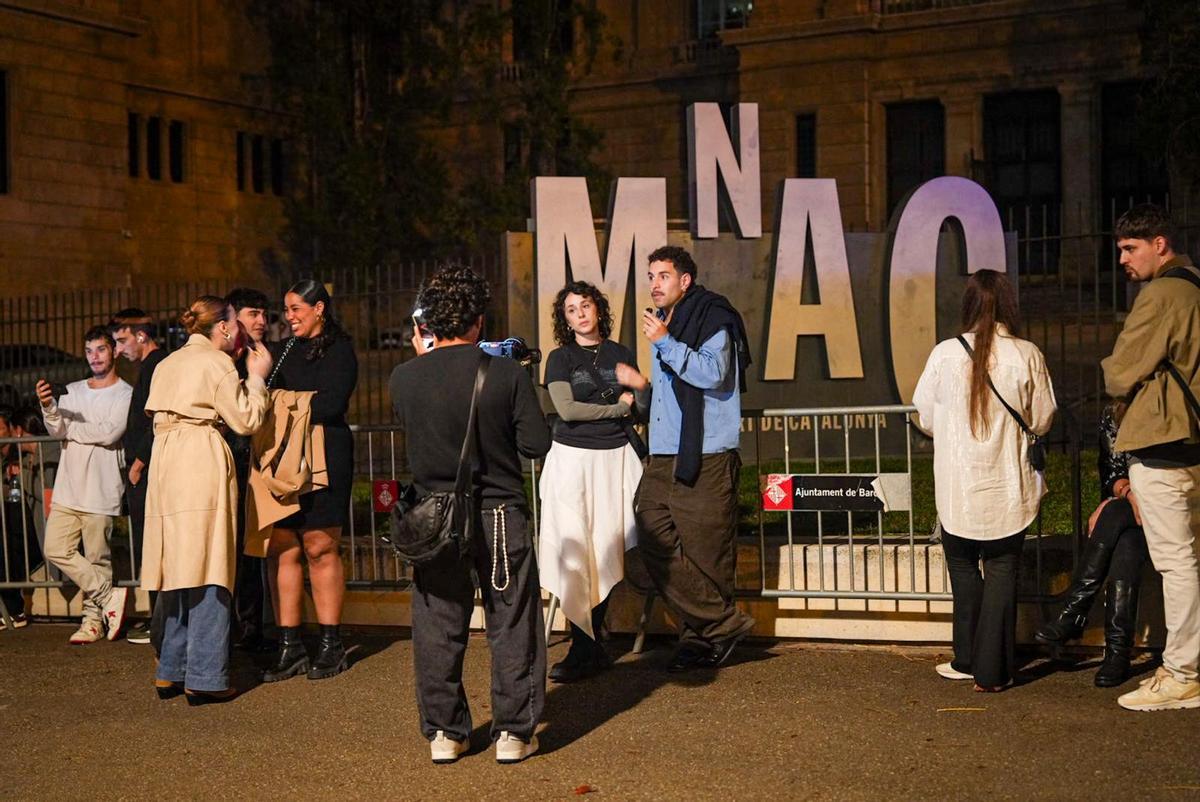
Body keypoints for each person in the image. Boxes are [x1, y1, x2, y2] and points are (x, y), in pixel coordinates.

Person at [389, 265, 551, 764]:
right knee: (511, 621)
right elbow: (535, 442)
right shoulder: (504, 373)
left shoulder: (404, 377)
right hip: (500, 513)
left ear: (428, 323)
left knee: (439, 623)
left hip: (434, 516)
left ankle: (446, 733)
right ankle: (513, 732)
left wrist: (424, 359)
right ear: (478, 321)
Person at [913, 269, 1056, 692]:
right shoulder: (1027, 354)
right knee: (1001, 569)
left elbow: (926, 416)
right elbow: (1043, 418)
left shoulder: (944, 354)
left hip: (957, 489)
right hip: (1007, 488)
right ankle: (992, 672)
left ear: (969, 306)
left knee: (962, 569)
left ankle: (966, 658)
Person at [615, 245, 755, 673]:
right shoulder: (667, 323)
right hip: (663, 452)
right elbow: (670, 395)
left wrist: (665, 343)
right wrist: (641, 386)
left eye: (663, 275)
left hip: (706, 451)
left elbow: (713, 374)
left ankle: (699, 639)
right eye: (651, 276)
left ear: (685, 281)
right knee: (650, 529)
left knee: (704, 550)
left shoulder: (713, 317)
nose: (655, 283)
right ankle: (723, 623)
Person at [140, 296, 271, 703]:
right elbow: (246, 419)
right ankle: (206, 676)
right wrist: (256, 377)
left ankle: (171, 670)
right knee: (212, 565)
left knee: (178, 564)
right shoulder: (215, 362)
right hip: (199, 455)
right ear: (225, 328)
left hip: (166, 460)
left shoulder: (167, 363)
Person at [1101, 203, 1200, 712]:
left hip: (1163, 444)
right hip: (1195, 441)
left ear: (1160, 244)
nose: (1122, 258)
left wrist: (1115, 371)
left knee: (1176, 563)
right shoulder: (1197, 285)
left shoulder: (1160, 293)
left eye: (1130, 248)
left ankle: (1182, 672)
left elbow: (1120, 373)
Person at [539, 280, 645, 682]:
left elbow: (640, 405)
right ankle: (583, 644)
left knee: (603, 548)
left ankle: (591, 645)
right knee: (573, 547)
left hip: (614, 459)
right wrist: (618, 408)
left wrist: (635, 396)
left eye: (585, 305)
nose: (580, 313)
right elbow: (566, 410)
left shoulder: (619, 353)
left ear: (598, 309)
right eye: (571, 309)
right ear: (564, 319)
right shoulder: (560, 357)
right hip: (571, 458)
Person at [262, 280, 358, 682]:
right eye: (286, 310)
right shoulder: (283, 351)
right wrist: (298, 400)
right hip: (284, 457)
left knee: (320, 545)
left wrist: (287, 401)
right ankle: (290, 645)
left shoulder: (341, 349)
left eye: (296, 308)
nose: (290, 317)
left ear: (319, 308)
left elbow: (331, 403)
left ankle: (330, 643)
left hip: (327, 454)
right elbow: (265, 396)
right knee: (282, 546)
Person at [1035, 405, 1148, 686]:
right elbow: (1111, 471)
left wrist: (1134, 498)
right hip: (1131, 514)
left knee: (1113, 515)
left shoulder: (1168, 408)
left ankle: (1074, 613)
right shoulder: (1115, 412)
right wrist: (1127, 493)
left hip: (1168, 505)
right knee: (1126, 541)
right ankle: (1117, 653)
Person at [37, 326, 133, 644]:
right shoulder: (74, 390)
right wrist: (49, 407)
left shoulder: (126, 394)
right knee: (55, 548)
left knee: (98, 558)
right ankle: (110, 597)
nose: (94, 357)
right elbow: (56, 429)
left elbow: (110, 433)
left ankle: (93, 621)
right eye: (89, 350)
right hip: (68, 488)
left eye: (101, 350)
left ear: (114, 352)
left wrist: (71, 427)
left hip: (101, 489)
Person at [109, 308, 166, 646]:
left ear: (141, 335)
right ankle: (158, 621)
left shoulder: (157, 364)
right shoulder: (150, 365)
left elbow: (156, 415)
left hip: (146, 470)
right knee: (149, 548)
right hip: (141, 470)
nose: (118, 350)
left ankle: (161, 623)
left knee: (154, 547)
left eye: (121, 340)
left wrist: (139, 462)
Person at [225, 287, 274, 650]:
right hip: (228, 461)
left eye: (264, 313)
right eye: (252, 313)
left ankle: (251, 626)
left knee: (253, 547)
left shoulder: (266, 358)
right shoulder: (223, 360)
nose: (261, 320)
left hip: (257, 463)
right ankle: (231, 625)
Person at [0, 405, 42, 628]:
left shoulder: (21, 455)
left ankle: (14, 609)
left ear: (11, 430)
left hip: (23, 519)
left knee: (10, 541)